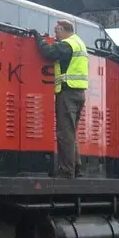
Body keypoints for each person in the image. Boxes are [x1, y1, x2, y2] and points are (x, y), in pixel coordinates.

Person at [29, 20, 89, 178]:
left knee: (64, 133)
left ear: (64, 30)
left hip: (67, 92)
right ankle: (76, 168)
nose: (56, 35)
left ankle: (66, 171)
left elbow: (48, 52)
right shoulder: (79, 43)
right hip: (79, 93)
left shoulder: (67, 44)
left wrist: (37, 37)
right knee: (71, 132)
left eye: (57, 31)